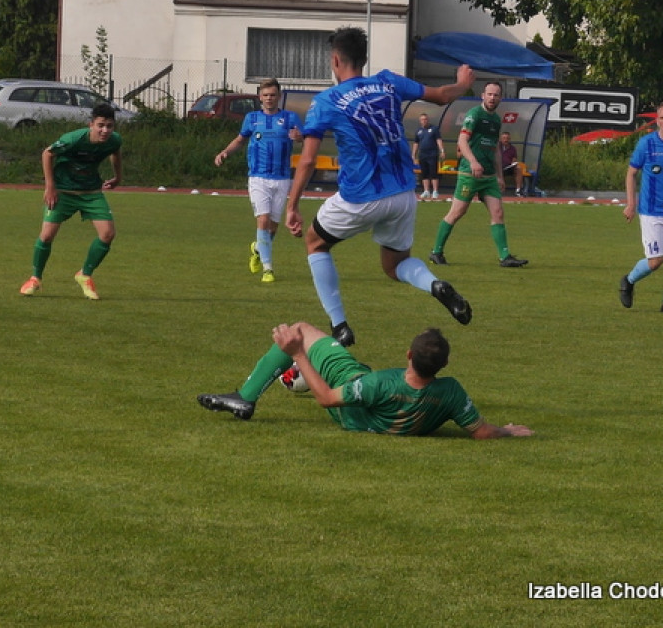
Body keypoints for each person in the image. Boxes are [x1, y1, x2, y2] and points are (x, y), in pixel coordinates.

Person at [286, 26, 476, 347]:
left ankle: (339, 325)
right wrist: (463, 84)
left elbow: (306, 161)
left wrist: (291, 206)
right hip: (403, 192)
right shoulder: (387, 81)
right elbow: (442, 96)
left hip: (360, 196)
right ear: (363, 58)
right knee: (396, 265)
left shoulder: (327, 100)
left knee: (316, 243)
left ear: (335, 60)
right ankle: (435, 286)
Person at [197, 322, 535, 439]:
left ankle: (248, 395)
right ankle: (297, 375)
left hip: (352, 398)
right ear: (443, 366)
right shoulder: (449, 392)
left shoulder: (380, 385)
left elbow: (328, 399)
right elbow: (481, 432)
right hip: (367, 395)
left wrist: (299, 352)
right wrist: (506, 430)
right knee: (358, 366)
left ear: (408, 355)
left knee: (300, 330)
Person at [19, 103, 122, 300]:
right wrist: (50, 187)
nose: (105, 130)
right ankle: (35, 278)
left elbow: (116, 154)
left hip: (91, 192)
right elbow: (47, 154)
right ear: (91, 124)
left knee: (108, 234)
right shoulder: (74, 139)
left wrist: (118, 177)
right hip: (63, 192)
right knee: (47, 235)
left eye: (109, 126)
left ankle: (85, 275)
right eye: (101, 125)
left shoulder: (114, 140)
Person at [429, 81, 529, 268]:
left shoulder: (496, 120)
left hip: (489, 177)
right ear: (483, 95)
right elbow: (462, 140)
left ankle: (505, 257)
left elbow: (496, 150)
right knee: (457, 212)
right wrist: (473, 162)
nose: (492, 98)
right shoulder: (474, 114)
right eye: (489, 94)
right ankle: (436, 252)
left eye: (496, 95)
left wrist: (499, 175)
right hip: (470, 174)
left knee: (498, 213)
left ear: (500, 98)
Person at [214, 78, 303, 283]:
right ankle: (268, 269)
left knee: (272, 228)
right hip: (258, 177)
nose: (269, 99)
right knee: (262, 220)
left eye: (272, 95)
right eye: (265, 95)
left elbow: (304, 138)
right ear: (260, 97)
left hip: (281, 178)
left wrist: (300, 137)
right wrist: (225, 152)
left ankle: (257, 248)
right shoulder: (252, 118)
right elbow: (240, 140)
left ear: (279, 97)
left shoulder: (290, 118)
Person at [619, 100, 663, 313]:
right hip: (650, 212)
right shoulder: (646, 144)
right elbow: (631, 173)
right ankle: (628, 281)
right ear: (657, 120)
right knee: (656, 261)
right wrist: (631, 204)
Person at [411, 112, 446, 200]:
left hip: (432, 154)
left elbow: (439, 140)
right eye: (422, 120)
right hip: (422, 155)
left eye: (425, 119)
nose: (424, 121)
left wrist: (442, 150)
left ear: (428, 120)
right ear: (420, 121)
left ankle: (435, 191)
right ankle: (426, 191)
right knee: (424, 173)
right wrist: (413, 155)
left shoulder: (434, 129)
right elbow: (416, 143)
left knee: (433, 173)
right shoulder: (418, 131)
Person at [498, 131, 525, 196]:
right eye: (504, 138)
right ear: (501, 139)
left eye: (507, 138)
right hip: (498, 168)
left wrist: (513, 163)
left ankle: (518, 190)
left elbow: (514, 159)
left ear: (509, 139)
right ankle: (499, 190)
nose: (505, 140)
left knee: (518, 168)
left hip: (508, 168)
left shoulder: (513, 148)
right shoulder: (497, 147)